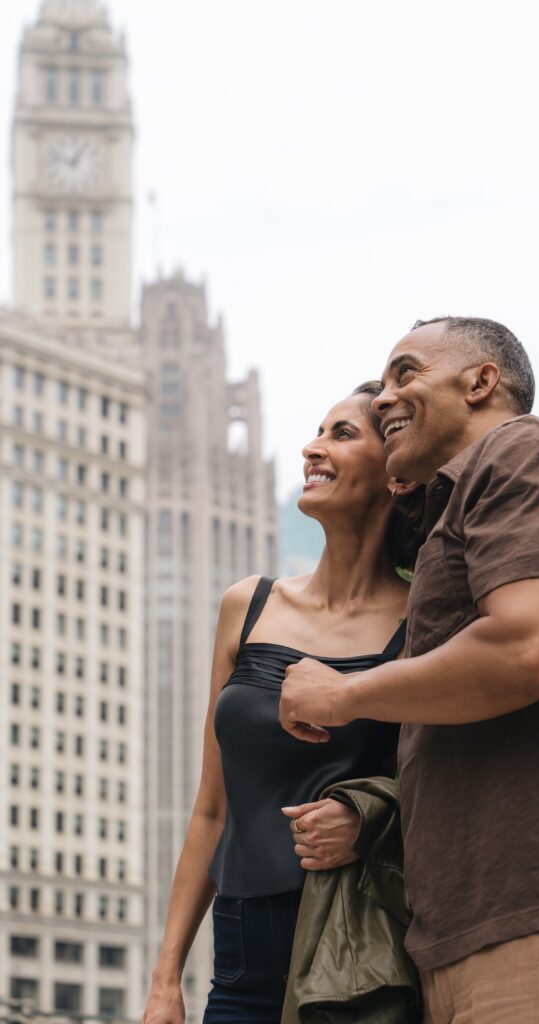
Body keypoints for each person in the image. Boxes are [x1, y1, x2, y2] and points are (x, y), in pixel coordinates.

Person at [279, 316, 539, 1023]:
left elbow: (534, 649)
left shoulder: (524, 451)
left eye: (406, 373)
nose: (383, 398)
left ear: (481, 382)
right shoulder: (457, 507)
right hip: (470, 941)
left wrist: (345, 694)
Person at [141, 384, 422, 1024]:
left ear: (395, 474)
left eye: (342, 434)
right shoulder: (248, 605)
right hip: (240, 951)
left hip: (358, 943)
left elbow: (450, 785)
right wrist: (166, 979)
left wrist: (370, 822)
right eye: (317, 431)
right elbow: (212, 810)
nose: (311, 448)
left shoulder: (425, 621)